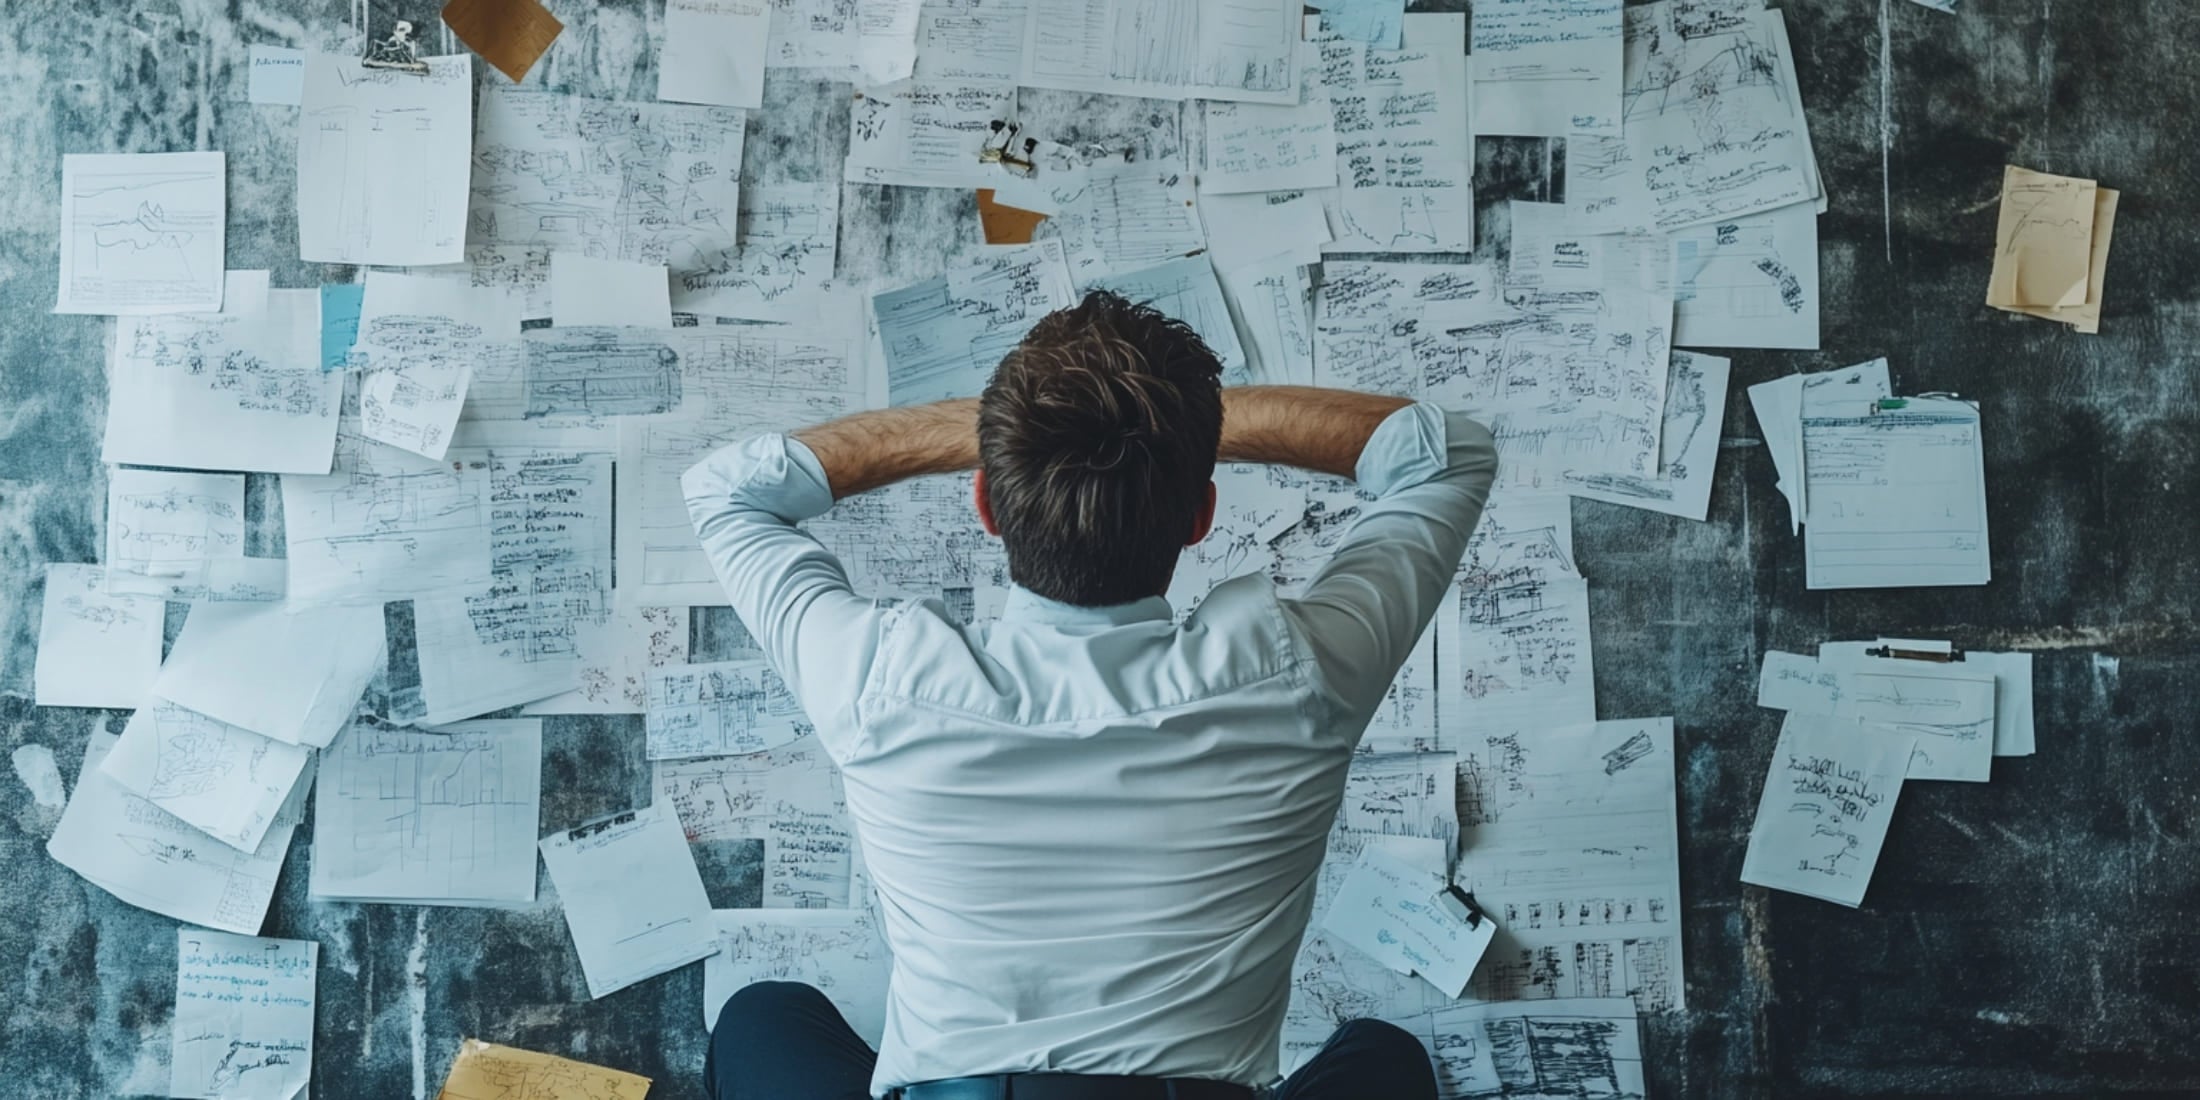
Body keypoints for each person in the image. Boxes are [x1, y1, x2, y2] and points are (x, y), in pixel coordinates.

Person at [685, 291, 1497, 1100]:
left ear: (986, 505)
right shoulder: (1298, 670)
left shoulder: (879, 677)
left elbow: (725, 489)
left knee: (765, 1015)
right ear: (1201, 515)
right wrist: (1180, 439)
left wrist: (1008, 441)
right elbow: (1446, 452)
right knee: (1383, 1057)